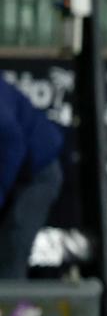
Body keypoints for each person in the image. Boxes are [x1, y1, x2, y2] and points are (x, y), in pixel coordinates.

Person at [0, 76, 65, 279]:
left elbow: (13, 144)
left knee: (13, 247)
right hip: (15, 175)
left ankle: (11, 309)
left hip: (38, 174)